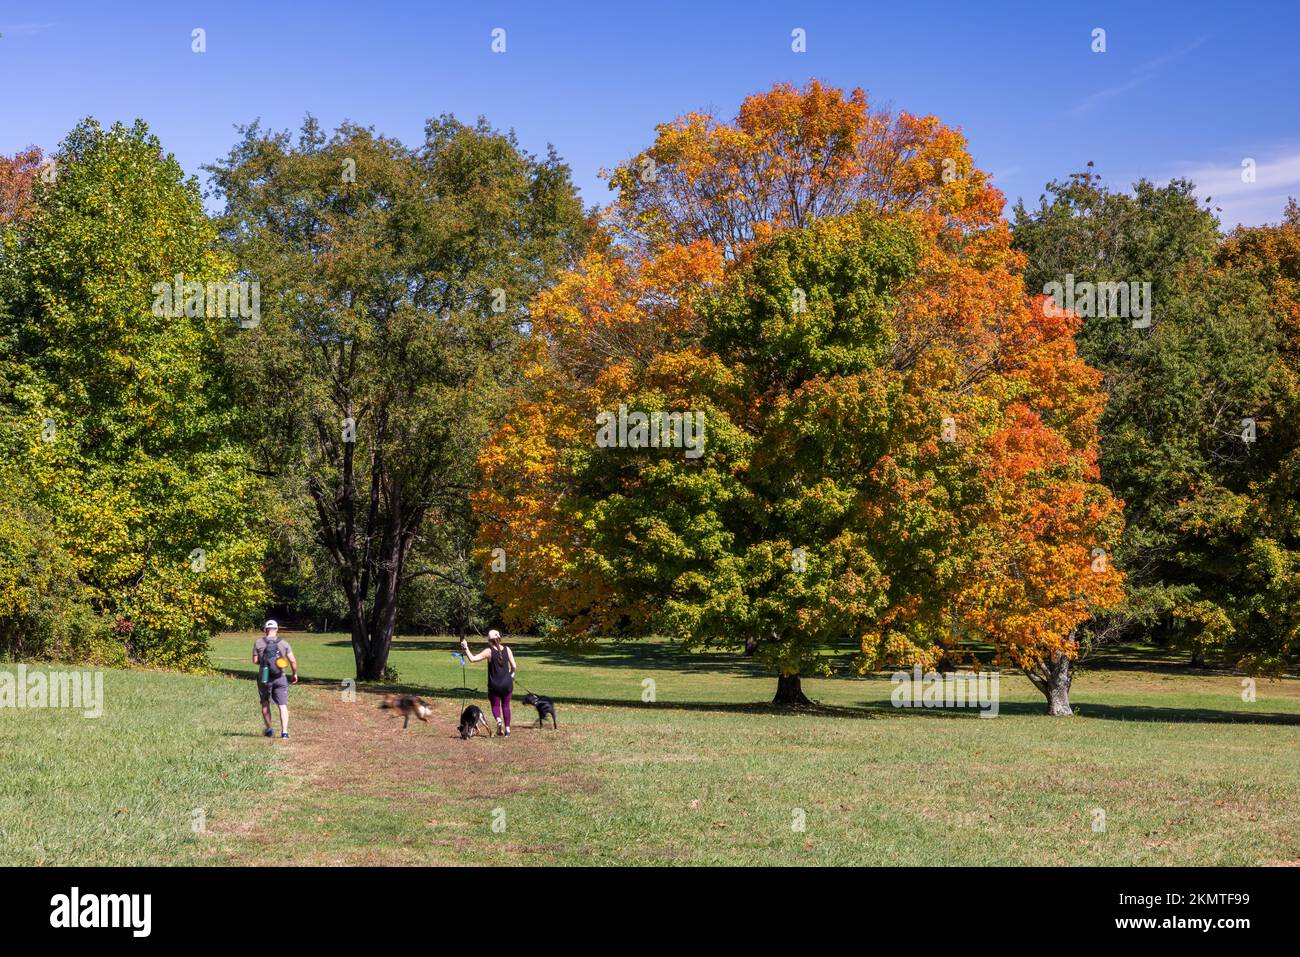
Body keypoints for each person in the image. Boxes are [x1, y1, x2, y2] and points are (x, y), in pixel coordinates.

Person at [461, 630, 516, 736]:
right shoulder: (508, 649)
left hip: (494, 685)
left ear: (489, 640)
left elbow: (473, 659)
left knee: (495, 705)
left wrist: (466, 647)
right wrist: (511, 675)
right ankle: (508, 730)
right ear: (500, 638)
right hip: (507, 684)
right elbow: (514, 666)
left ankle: (499, 721)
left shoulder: (489, 651)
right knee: (506, 706)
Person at [253, 619, 298, 739]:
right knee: (282, 705)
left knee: (265, 703)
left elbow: (255, 661)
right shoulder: (284, 643)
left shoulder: (258, 643)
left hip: (264, 677)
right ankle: (284, 733)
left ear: (265, 630)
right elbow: (292, 660)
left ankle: (269, 729)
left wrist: (265, 664)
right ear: (277, 629)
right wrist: (294, 673)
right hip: (280, 677)